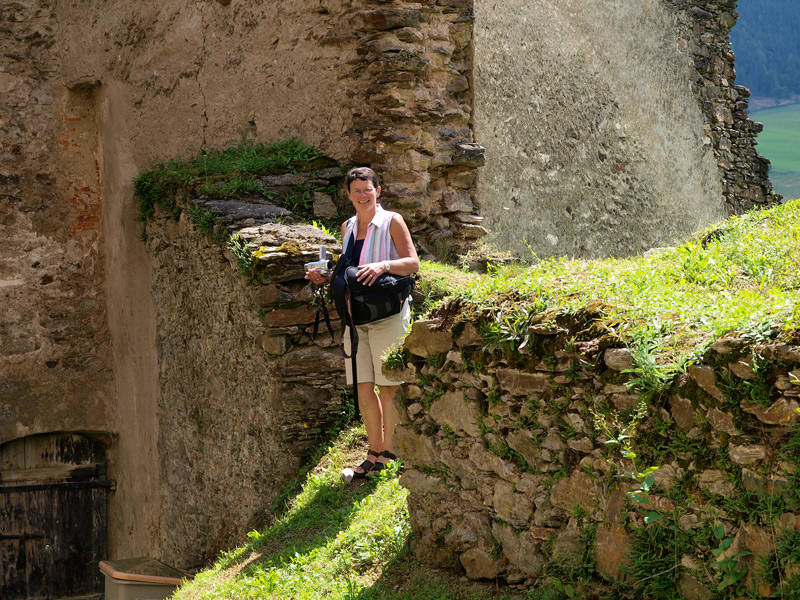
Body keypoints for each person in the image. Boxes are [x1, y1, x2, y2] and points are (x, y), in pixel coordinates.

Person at [306, 167, 419, 477]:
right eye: (356, 191)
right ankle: (374, 451)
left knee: (389, 386)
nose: (362, 195)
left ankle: (390, 453)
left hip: (387, 314)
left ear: (377, 191)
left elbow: (412, 263)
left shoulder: (392, 221)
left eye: (367, 189)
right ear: (348, 195)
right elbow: (350, 272)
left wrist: (384, 265)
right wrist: (326, 277)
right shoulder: (348, 227)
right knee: (363, 386)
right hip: (356, 317)